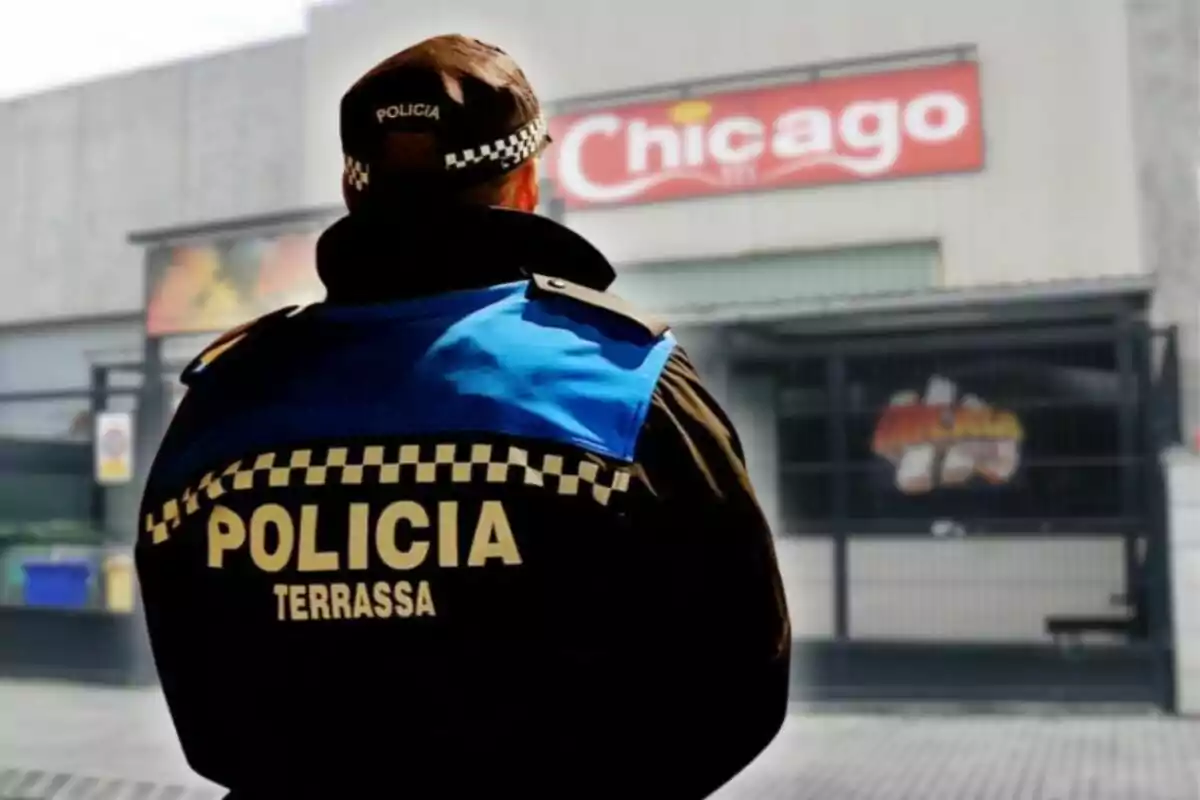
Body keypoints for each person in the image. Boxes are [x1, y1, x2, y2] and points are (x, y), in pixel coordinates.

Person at [135, 33, 791, 800]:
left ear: (355, 191)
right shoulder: (623, 380)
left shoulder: (223, 398)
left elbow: (202, 699)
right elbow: (740, 684)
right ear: (525, 184)